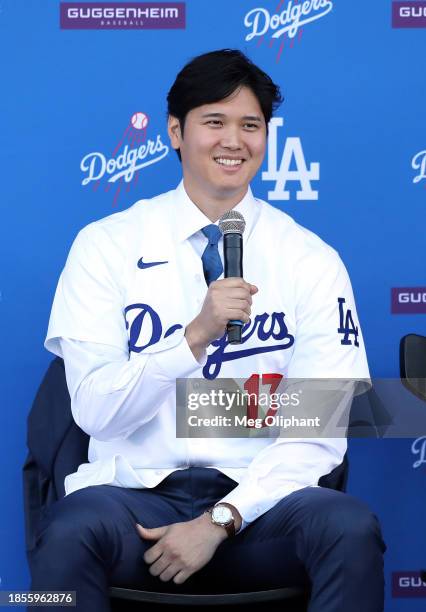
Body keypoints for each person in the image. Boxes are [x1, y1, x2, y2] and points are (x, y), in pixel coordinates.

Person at [30, 49, 386, 611]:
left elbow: (315, 432)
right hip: (131, 501)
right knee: (67, 534)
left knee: (348, 527)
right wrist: (192, 338)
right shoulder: (105, 245)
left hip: (259, 507)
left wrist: (223, 517)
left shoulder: (311, 259)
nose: (233, 141)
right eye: (214, 122)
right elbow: (96, 413)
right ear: (175, 131)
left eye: (251, 125)